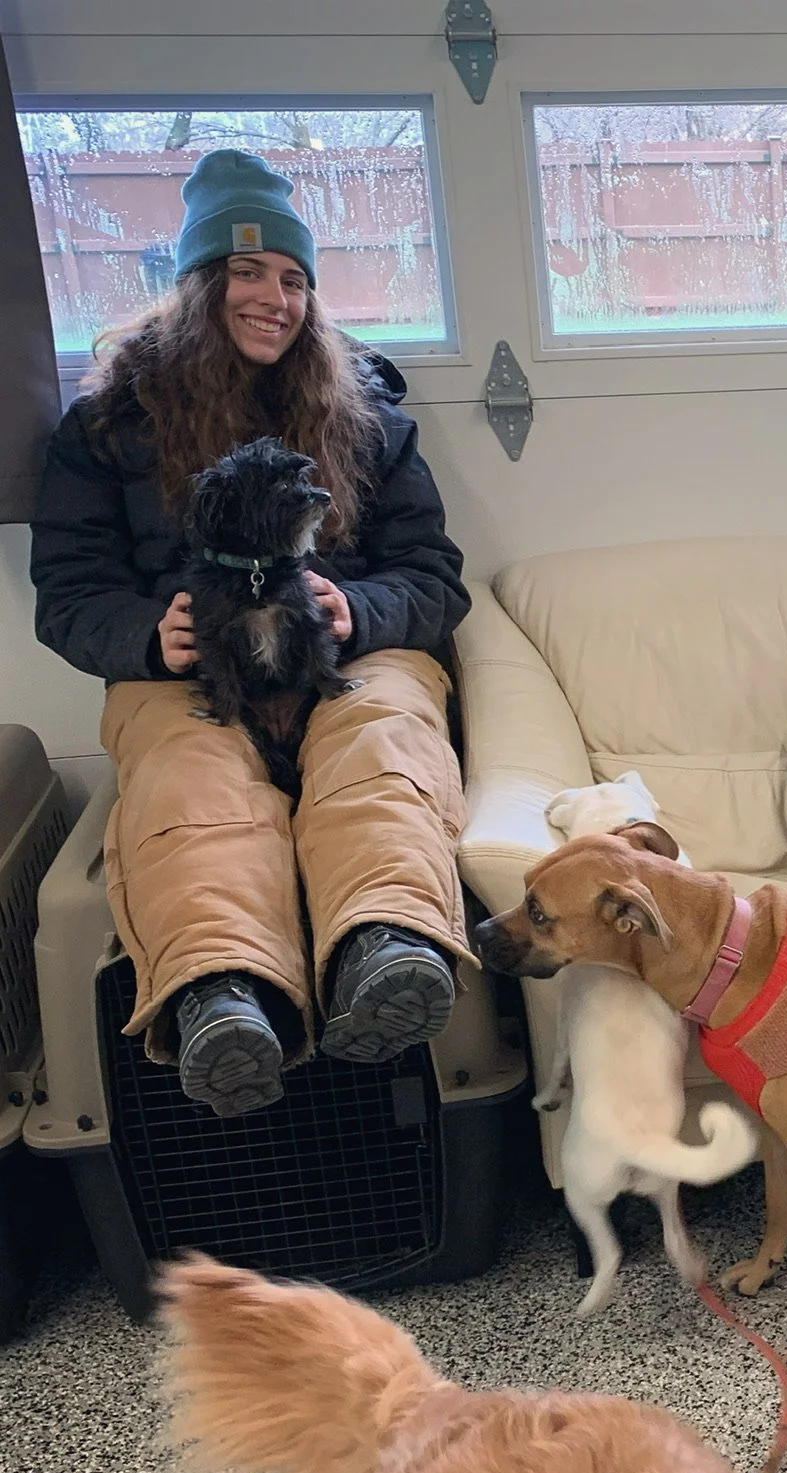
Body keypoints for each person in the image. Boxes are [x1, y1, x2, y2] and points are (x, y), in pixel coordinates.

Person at [30, 148, 472, 1118]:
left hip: (347, 653)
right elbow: (65, 594)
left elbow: (434, 575)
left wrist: (365, 612)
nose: (276, 299)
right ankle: (224, 992)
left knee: (383, 736)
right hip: (186, 671)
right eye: (248, 271)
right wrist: (150, 636)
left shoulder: (366, 410)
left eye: (294, 279)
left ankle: (386, 945)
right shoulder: (107, 424)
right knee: (187, 772)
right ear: (197, 282)